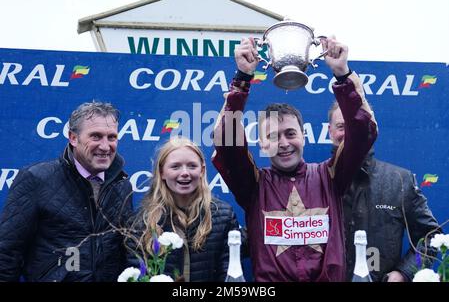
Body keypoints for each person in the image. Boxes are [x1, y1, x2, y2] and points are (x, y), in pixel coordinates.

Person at [212, 37, 378, 282]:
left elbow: (363, 132)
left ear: (305, 136)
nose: (283, 143)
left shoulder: (330, 176)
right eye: (272, 136)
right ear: (261, 144)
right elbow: (226, 143)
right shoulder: (254, 185)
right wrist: (243, 79)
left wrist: (342, 75)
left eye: (290, 134)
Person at [0, 102, 133, 282]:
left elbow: (127, 252)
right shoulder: (36, 179)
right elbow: (7, 252)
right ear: (73, 138)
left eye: (112, 137)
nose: (105, 146)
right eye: (96, 136)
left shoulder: (122, 185)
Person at [328, 102, 440, 282]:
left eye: (356, 125)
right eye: (341, 126)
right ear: (330, 131)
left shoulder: (399, 180)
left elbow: (431, 238)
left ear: (370, 129)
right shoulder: (317, 179)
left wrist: (405, 272)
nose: (349, 133)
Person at [127, 136, 240, 282]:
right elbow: (137, 274)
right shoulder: (142, 221)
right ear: (161, 172)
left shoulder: (223, 216)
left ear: (202, 170)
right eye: (175, 166)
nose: (185, 172)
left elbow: (228, 274)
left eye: (192, 166)